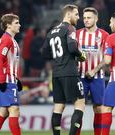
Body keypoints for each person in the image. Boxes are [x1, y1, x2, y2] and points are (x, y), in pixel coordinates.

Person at [41, 4, 86, 135]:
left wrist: (58, 58)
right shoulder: (70, 28)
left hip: (56, 74)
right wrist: (81, 55)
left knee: (58, 106)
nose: (78, 17)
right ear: (68, 14)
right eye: (76, 14)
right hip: (70, 72)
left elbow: (44, 53)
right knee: (80, 103)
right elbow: (72, 47)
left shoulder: (52, 31)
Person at [76, 7, 109, 135]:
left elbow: (107, 58)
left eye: (89, 18)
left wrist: (94, 70)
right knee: (79, 108)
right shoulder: (77, 34)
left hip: (98, 77)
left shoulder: (104, 35)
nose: (86, 20)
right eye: (84, 18)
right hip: (80, 77)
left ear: (96, 18)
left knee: (99, 108)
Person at [0, 13, 22, 135]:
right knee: (14, 109)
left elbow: (9, 62)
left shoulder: (11, 40)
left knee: (4, 111)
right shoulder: (7, 40)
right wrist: (3, 80)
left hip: (10, 79)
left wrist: (16, 79)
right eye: (16, 23)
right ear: (8, 25)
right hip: (6, 80)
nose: (19, 25)